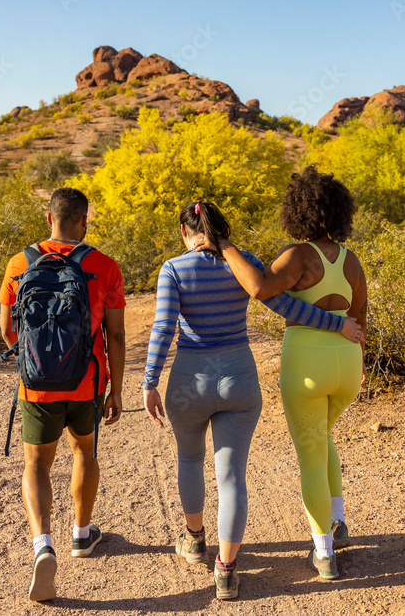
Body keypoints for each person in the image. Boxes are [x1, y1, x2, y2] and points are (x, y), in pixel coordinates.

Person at [142, 199, 362, 600]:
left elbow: (163, 326)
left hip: (190, 380)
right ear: (221, 230)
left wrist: (149, 381)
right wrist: (338, 324)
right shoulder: (242, 264)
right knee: (232, 477)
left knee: (190, 458)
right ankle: (226, 570)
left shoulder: (173, 269)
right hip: (239, 379)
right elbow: (285, 305)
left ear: (183, 231)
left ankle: (194, 542)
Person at [206, 167, 366, 580]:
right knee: (324, 435)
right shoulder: (352, 262)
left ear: (298, 211)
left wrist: (223, 244)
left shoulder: (298, 255)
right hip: (348, 365)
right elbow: (360, 322)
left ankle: (324, 554)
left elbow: (259, 287)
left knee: (310, 453)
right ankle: (338, 519)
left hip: (306, 363)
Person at [0, 187, 126, 602]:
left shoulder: (19, 264)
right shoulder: (104, 266)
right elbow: (117, 334)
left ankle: (42, 545)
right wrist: (116, 391)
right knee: (83, 454)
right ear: (84, 222)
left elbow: (6, 331)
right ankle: (81, 535)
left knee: (36, 464)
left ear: (47, 218)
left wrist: (36, 361)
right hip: (87, 381)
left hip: (36, 385)